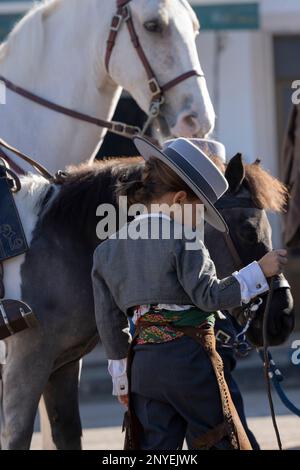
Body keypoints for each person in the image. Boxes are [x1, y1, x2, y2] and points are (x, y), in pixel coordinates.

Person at [92, 137, 288, 450]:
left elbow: (108, 321)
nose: (199, 220)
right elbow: (209, 296)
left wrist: (121, 378)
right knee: (221, 441)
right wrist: (258, 271)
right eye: (200, 210)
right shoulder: (184, 238)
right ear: (181, 198)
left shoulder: (106, 251)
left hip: (142, 367)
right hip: (190, 362)